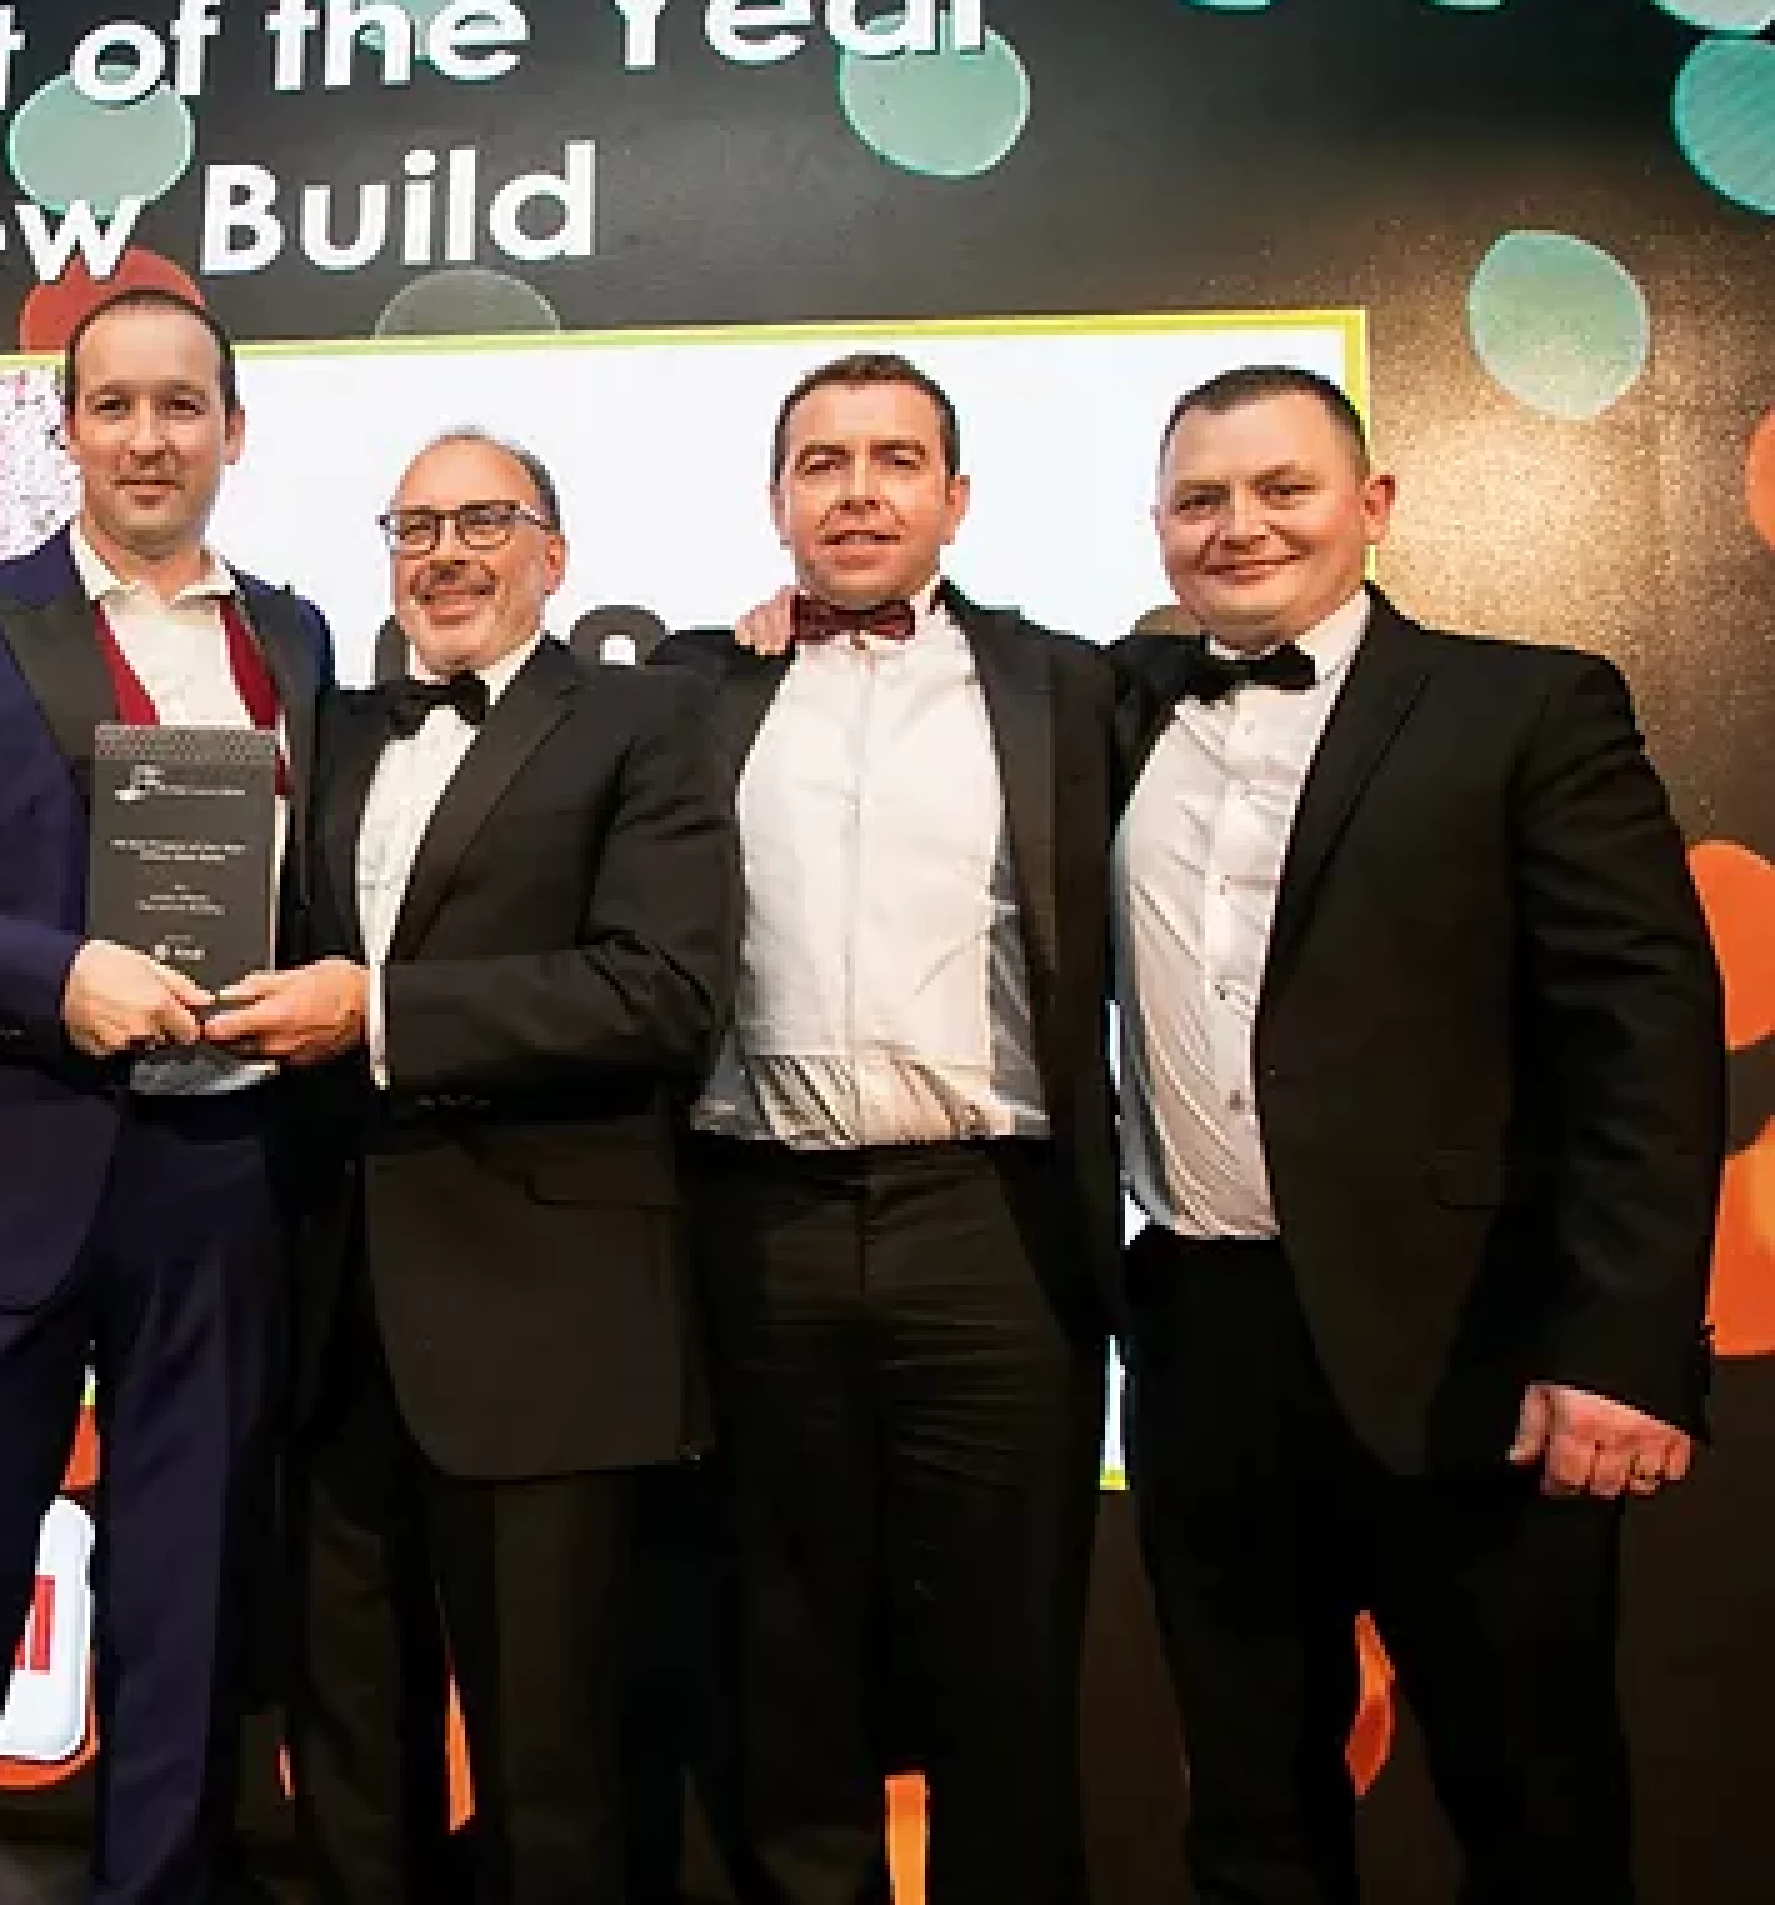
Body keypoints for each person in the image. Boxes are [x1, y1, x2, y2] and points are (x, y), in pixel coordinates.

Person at [1113, 364, 1722, 1905]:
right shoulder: (1109, 706)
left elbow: (1642, 1037)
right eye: (1201, 498)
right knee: (1249, 1813)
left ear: (1371, 504)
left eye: (1284, 488)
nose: (1241, 526)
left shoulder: (1528, 703)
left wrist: (1623, 1344)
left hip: (1473, 1346)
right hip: (1201, 1343)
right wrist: (773, 624)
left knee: (1532, 1808)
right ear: (1158, 525)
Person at [0, 288, 332, 1904]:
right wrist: (56, 973)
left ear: (234, 431)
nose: (149, 438)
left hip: (223, 1179)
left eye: (182, 406)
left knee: (187, 1625)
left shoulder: (298, 636)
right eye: (115, 406)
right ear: (68, 430)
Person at [205, 429, 734, 1905]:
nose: (445, 553)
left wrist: (380, 1014)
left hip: (545, 1323)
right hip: (335, 1317)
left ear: (555, 556)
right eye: (415, 526)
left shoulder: (645, 720)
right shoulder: (335, 731)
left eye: (484, 521)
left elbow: (662, 992)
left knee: (552, 1772)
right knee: (346, 1753)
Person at [668, 353, 1121, 1903]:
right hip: (754, 1217)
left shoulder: (1072, 684)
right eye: (824, 462)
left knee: (1009, 1656)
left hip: (994, 1223)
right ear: (776, 499)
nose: (858, 491)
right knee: (781, 1655)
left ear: (957, 497)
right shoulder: (693, 685)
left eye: (896, 459)